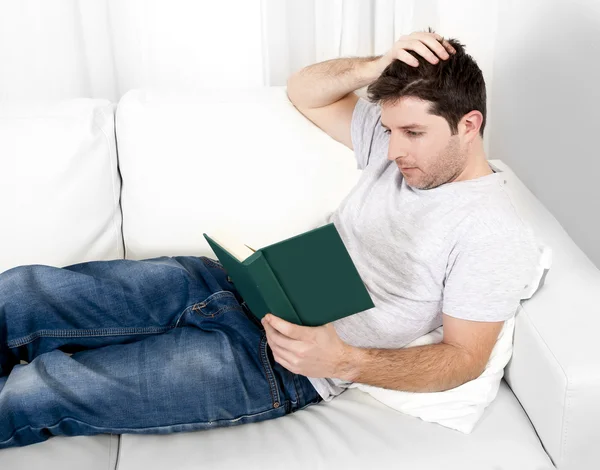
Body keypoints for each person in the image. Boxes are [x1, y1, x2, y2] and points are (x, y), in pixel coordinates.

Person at [0, 29, 540, 449]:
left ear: (469, 124)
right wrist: (378, 65)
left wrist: (345, 360)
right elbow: (304, 89)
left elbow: (464, 357)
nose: (393, 149)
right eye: (390, 128)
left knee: (36, 392)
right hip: (238, 284)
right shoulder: (398, 146)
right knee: (21, 293)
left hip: (278, 360)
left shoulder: (492, 231)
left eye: (413, 133)